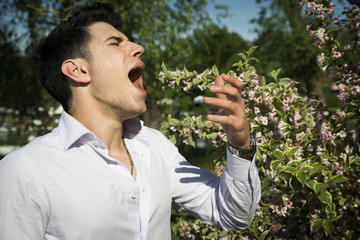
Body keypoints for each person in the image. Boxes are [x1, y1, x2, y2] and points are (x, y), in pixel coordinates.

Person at [0, 3, 260, 240]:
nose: (138, 47)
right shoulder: (24, 170)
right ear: (78, 70)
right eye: (115, 43)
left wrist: (240, 144)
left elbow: (233, 215)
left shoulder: (157, 147)